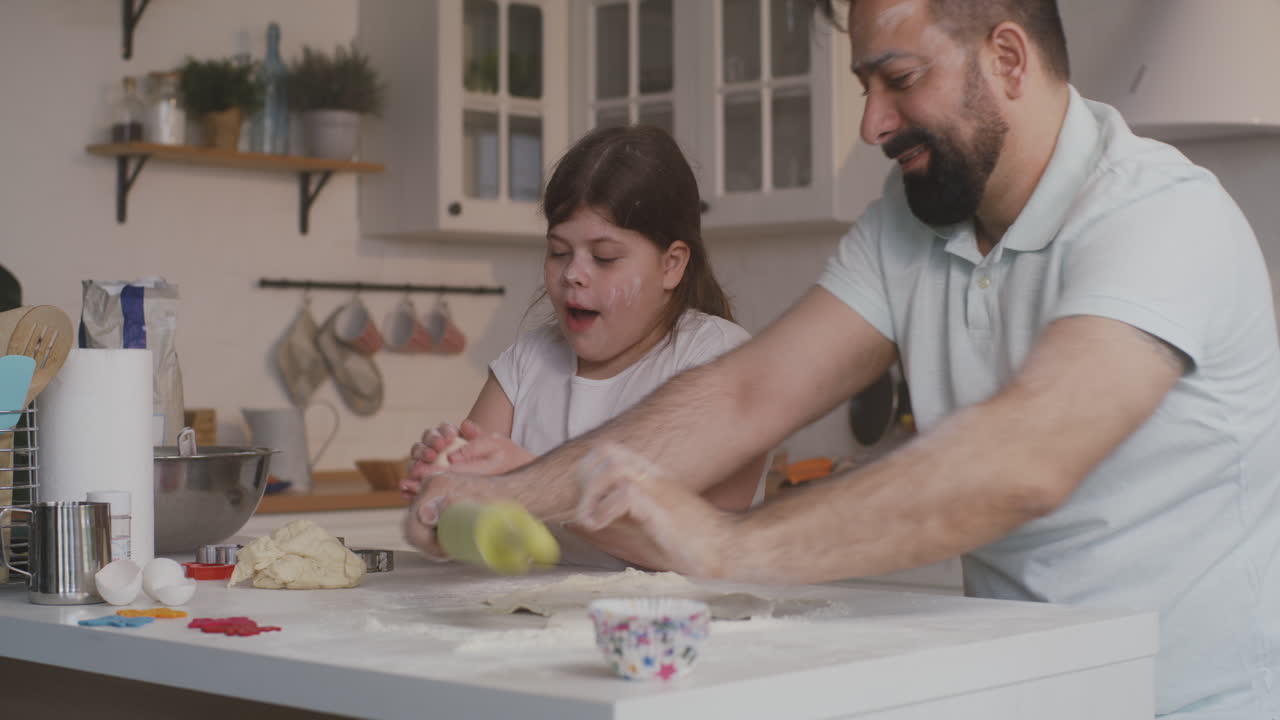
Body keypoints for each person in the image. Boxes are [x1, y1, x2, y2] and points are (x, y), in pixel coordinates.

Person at [405, 0, 1280, 716]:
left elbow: (1023, 460)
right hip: (1021, 692)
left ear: (1008, 60)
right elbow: (746, 395)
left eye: (899, 80)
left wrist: (721, 542)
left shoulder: (1159, 217)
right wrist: (492, 493)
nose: (872, 123)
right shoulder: (908, 226)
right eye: (867, 85)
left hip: (1189, 704)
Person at [402, 124, 767, 563]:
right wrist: (439, 497)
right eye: (559, 252)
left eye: (604, 257)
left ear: (672, 265)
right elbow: (462, 537)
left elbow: (704, 546)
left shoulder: (720, 362)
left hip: (676, 628)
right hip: (531, 626)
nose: (573, 273)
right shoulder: (525, 366)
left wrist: (528, 482)